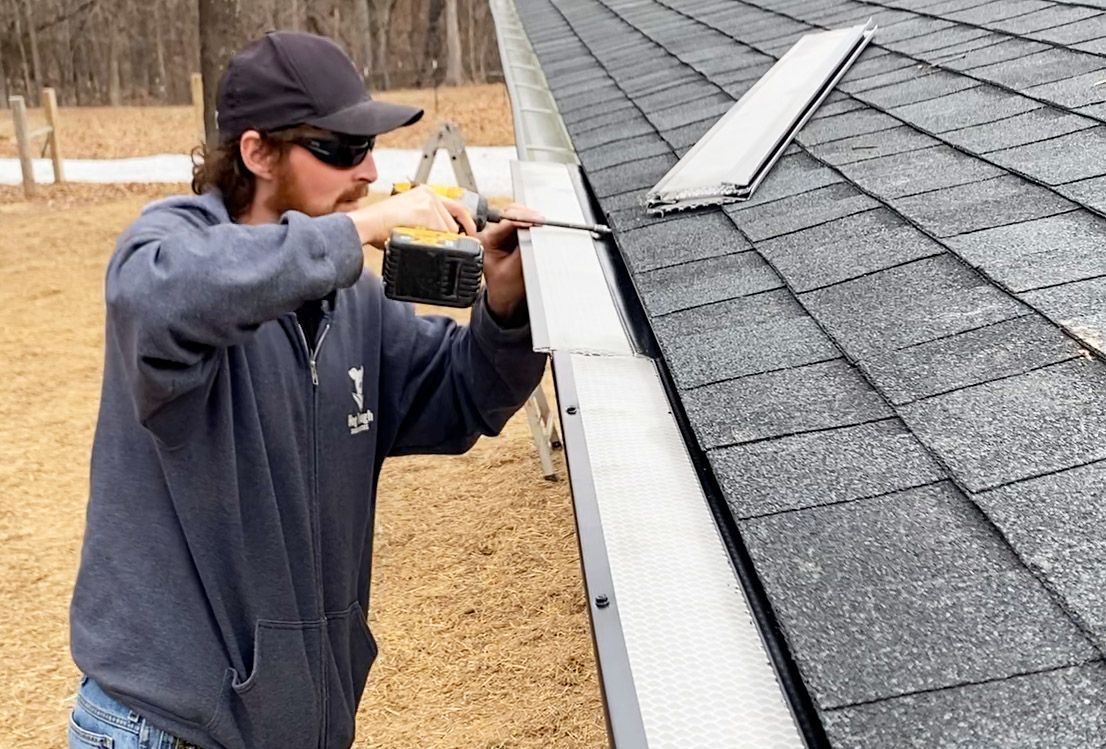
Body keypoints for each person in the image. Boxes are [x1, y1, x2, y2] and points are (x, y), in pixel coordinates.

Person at [67, 31, 547, 749]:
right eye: (340, 149)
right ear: (257, 153)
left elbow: (460, 397)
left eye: (370, 147)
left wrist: (506, 312)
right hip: (163, 728)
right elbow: (165, 295)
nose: (368, 169)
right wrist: (364, 227)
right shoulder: (171, 247)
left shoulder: (351, 298)